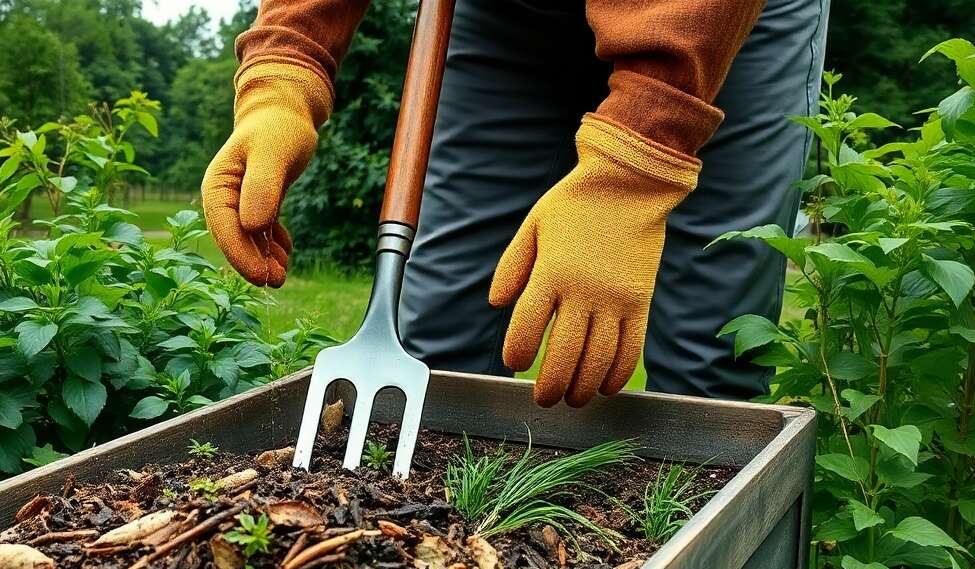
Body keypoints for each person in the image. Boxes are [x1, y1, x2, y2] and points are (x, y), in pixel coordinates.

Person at [202, 0, 830, 407]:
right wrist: (283, 69)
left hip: (722, 19)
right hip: (508, 13)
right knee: (442, 349)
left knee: (711, 360)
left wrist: (632, 166)